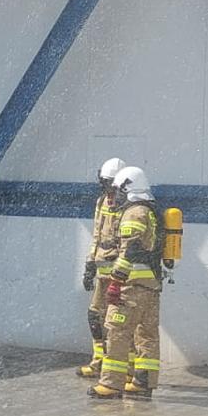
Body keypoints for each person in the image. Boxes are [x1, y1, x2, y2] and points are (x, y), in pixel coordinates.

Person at [92, 166, 165, 401]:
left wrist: (115, 282)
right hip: (151, 287)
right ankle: (143, 383)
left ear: (128, 187)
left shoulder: (134, 214)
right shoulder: (152, 210)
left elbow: (129, 251)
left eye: (119, 190)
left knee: (117, 331)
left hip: (131, 288)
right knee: (147, 335)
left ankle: (111, 385)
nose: (117, 195)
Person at [78, 157, 127, 379]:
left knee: (118, 321)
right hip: (101, 268)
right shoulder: (101, 202)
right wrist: (90, 264)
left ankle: (122, 366)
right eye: (103, 183)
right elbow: (97, 235)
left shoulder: (128, 206)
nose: (106, 188)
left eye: (109, 184)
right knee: (94, 316)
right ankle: (98, 361)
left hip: (119, 272)